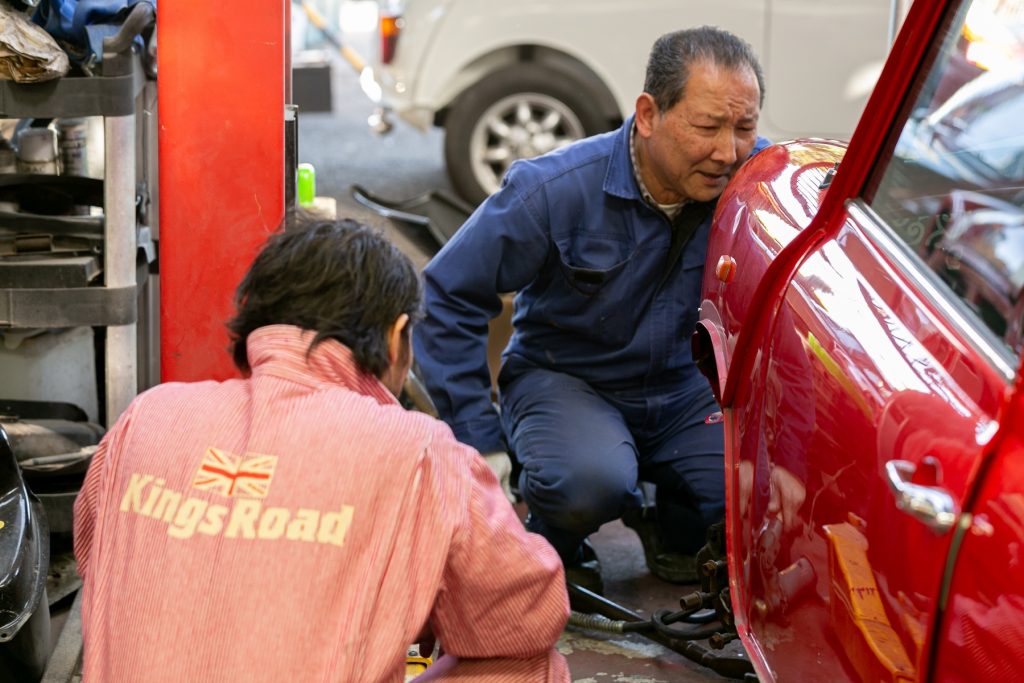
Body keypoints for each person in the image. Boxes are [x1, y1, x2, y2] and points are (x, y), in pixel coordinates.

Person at [73, 218, 570, 682]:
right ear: (396, 339)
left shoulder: (148, 416)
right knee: (535, 665)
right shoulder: (419, 451)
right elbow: (526, 619)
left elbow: (97, 564)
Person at [413, 26, 770, 588]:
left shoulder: (759, 186)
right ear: (648, 115)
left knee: (759, 497)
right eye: (706, 127)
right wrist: (481, 442)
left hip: (686, 391)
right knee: (586, 485)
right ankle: (558, 538)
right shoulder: (554, 189)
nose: (727, 152)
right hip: (568, 381)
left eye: (744, 128)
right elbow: (447, 295)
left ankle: (675, 519)